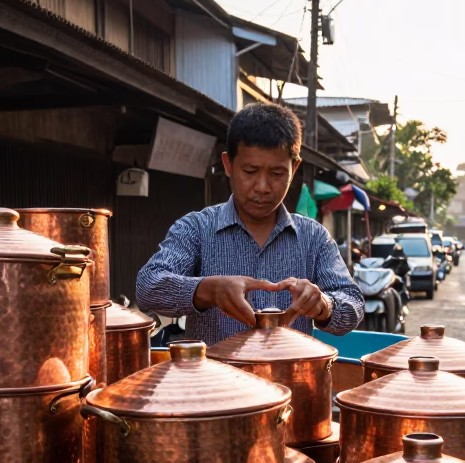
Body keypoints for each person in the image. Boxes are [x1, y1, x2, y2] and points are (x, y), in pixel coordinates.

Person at [135, 103, 363, 345]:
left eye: (276, 173)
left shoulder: (314, 237)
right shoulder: (196, 228)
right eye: (250, 171)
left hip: (291, 379)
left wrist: (323, 305)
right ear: (228, 164)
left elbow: (353, 304)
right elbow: (148, 287)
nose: (262, 187)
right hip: (214, 381)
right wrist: (211, 290)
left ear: (294, 168)